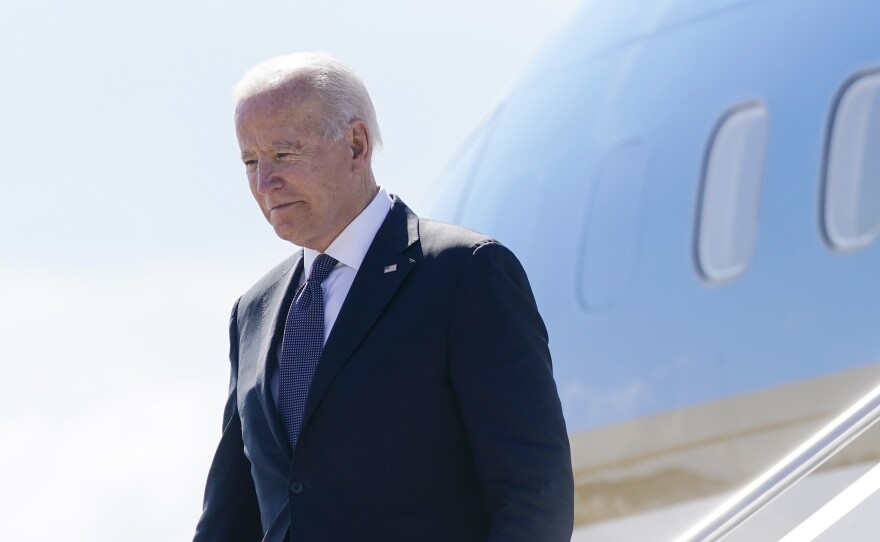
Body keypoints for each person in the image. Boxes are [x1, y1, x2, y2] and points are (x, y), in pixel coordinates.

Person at [194, 51, 573, 542]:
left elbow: (533, 492)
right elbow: (231, 516)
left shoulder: (465, 274)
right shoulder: (253, 312)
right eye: (251, 161)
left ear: (356, 145)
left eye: (284, 154)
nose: (265, 182)